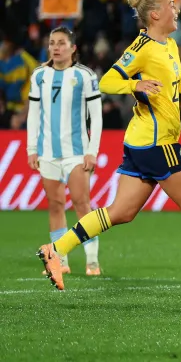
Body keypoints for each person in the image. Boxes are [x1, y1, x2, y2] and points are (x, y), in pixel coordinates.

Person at [37, 0, 181, 299]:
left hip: (142, 143)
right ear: (155, 15)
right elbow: (108, 80)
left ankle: (56, 250)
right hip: (157, 143)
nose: (176, 9)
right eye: (171, 5)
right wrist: (134, 84)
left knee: (121, 211)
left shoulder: (171, 45)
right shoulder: (143, 47)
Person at [27, 27, 103, 276]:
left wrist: (92, 151)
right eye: (52, 43)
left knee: (82, 204)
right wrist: (32, 148)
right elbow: (34, 114)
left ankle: (92, 260)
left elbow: (96, 116)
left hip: (76, 153)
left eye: (61, 43)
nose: (56, 47)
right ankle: (60, 260)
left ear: (73, 48)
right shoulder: (39, 75)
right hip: (48, 152)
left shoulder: (85, 76)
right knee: (55, 204)